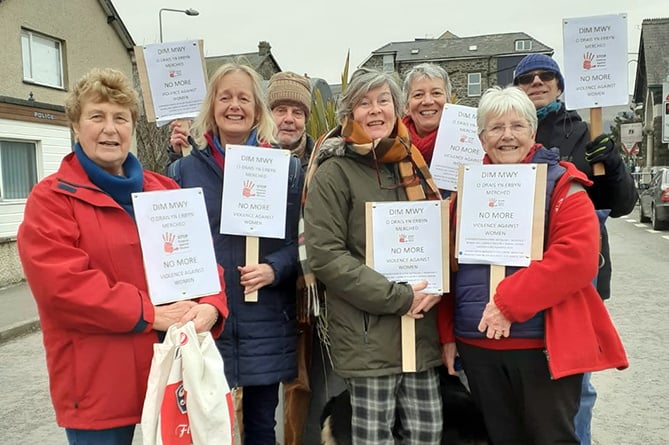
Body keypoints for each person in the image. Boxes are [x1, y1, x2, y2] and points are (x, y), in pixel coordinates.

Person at [16, 68, 228, 445]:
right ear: (76, 125)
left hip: (172, 374)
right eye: (97, 116)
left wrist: (211, 305)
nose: (110, 129)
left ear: (132, 126)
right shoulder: (51, 200)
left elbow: (202, 263)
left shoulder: (163, 189)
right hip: (98, 385)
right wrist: (149, 313)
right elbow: (62, 288)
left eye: (120, 118)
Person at [439, 85, 628, 445]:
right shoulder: (465, 192)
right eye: (495, 128)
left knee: (550, 438)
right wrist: (447, 332)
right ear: (481, 138)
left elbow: (577, 258)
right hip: (477, 347)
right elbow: (450, 265)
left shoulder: (564, 185)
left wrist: (508, 303)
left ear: (533, 132)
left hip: (540, 346)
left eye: (517, 126)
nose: (506, 135)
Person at [303, 68, 444, 445]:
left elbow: (433, 236)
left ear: (398, 109)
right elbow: (326, 255)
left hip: (418, 331)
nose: (375, 110)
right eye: (364, 103)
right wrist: (399, 297)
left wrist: (436, 286)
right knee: (372, 438)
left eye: (383, 101)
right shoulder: (334, 172)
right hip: (368, 335)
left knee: (427, 433)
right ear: (350, 114)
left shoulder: (412, 165)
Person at [167, 63, 302, 445]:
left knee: (262, 428)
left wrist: (275, 268)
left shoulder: (287, 170)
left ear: (258, 109)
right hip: (209, 320)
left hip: (266, 319)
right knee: (208, 427)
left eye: (244, 97)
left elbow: (305, 244)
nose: (234, 105)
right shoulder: (182, 172)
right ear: (212, 107)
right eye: (225, 97)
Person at [512, 53, 637, 445]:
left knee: (574, 385)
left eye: (545, 76)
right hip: (518, 276)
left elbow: (621, 205)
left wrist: (612, 164)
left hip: (575, 279)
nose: (536, 82)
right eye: (526, 78)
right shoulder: (506, 131)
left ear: (561, 85)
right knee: (519, 385)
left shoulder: (584, 131)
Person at [402, 63, 452, 166]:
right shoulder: (390, 147)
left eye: (436, 93)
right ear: (406, 107)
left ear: (449, 102)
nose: (428, 101)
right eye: (418, 95)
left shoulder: (472, 144)